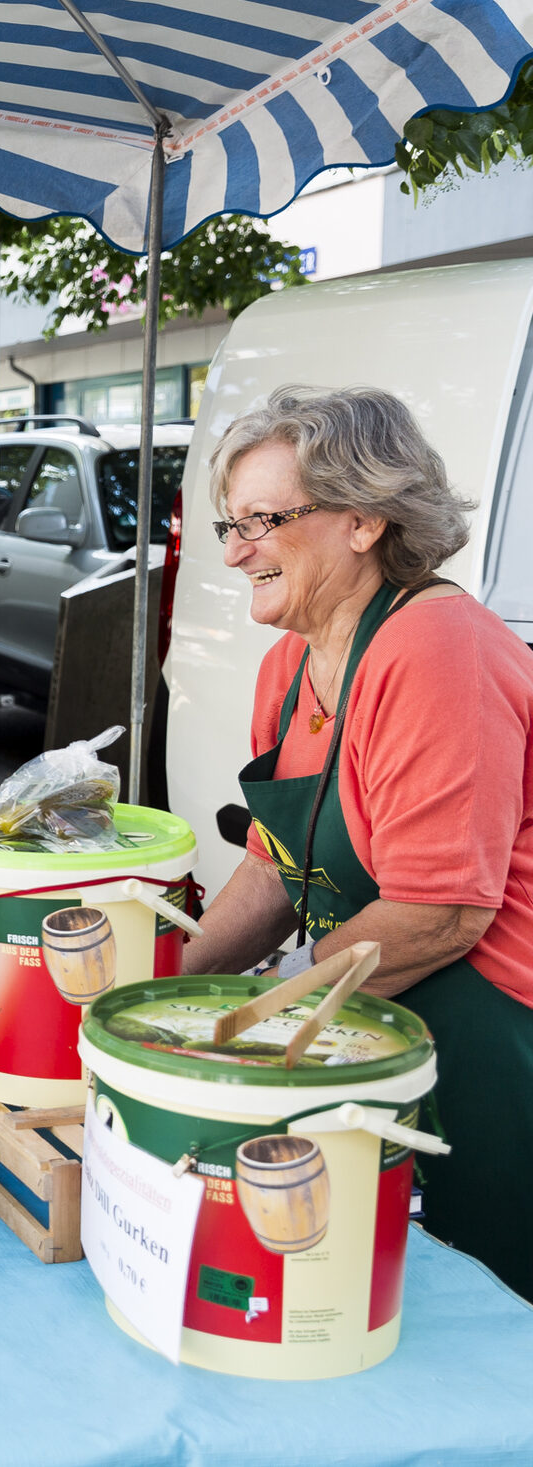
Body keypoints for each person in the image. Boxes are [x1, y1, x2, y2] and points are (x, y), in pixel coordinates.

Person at [181, 385, 533, 1296]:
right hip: (386, 1021)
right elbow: (273, 865)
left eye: (262, 520)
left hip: (500, 1041)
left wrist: (260, 1019)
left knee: (484, 1321)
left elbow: (440, 912)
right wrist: (167, 992)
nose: (232, 550)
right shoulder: (291, 665)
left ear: (365, 519)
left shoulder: (438, 648)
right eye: (230, 522)